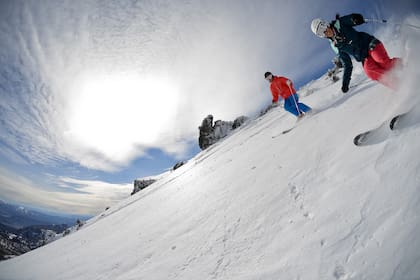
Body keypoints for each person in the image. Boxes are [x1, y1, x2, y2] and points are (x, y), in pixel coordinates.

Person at [311, 14, 401, 92]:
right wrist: (345, 83)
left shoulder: (339, 24)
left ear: (325, 23)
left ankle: (407, 64)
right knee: (369, 71)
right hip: (364, 57)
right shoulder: (335, 46)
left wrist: (354, 19)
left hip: (370, 44)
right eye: (320, 33)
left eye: (323, 27)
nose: (325, 32)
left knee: (382, 61)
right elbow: (347, 64)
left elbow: (350, 19)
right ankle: (399, 85)